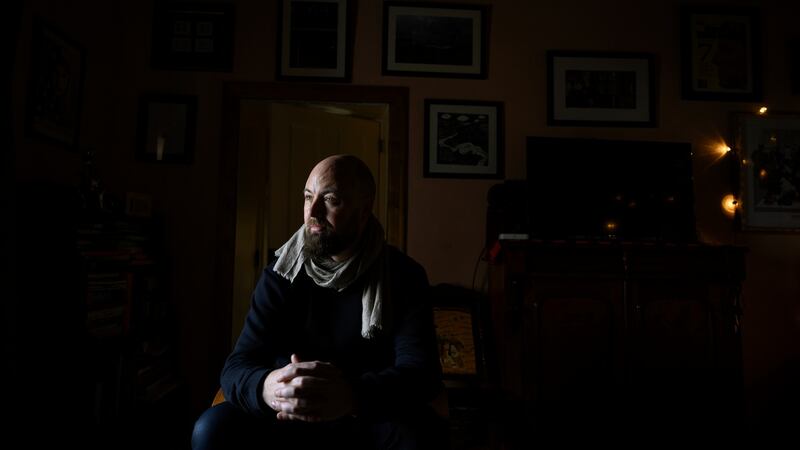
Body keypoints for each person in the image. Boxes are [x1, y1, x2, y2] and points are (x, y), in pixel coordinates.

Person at [192, 154, 446, 450]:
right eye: (308, 197)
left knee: (420, 436)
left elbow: (421, 373)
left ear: (364, 211)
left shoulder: (404, 275)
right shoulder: (282, 272)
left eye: (331, 200)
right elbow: (237, 365)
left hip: (364, 414)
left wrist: (350, 396)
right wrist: (268, 388)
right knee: (211, 429)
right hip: (288, 413)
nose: (312, 212)